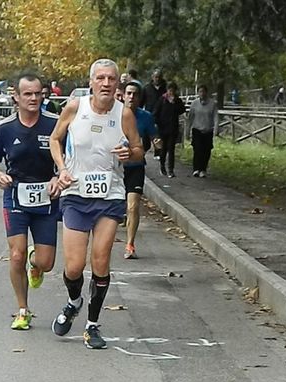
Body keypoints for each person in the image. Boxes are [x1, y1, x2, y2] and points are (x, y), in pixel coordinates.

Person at [49, 58, 143, 350]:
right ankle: (73, 301)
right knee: (75, 266)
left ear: (118, 83)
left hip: (110, 196)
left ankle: (92, 325)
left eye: (111, 79)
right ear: (91, 82)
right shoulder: (76, 107)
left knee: (100, 260)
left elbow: (139, 150)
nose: (105, 83)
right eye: (100, 78)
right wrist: (62, 169)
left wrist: (131, 154)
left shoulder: (124, 114)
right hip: (76, 194)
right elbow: (54, 138)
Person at [0, 73, 61, 330]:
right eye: (28, 94)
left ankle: (36, 265)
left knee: (46, 262)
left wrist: (58, 177)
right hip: (16, 196)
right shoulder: (5, 128)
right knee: (16, 256)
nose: (34, 98)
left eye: (38, 93)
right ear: (16, 97)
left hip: (46, 199)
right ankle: (22, 309)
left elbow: (69, 156)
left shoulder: (55, 124)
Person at [122, 81, 159, 259]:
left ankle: (130, 244)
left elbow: (154, 137)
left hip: (136, 167)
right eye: (128, 93)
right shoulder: (113, 115)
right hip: (115, 168)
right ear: (122, 95)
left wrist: (158, 143)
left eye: (135, 94)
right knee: (111, 209)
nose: (131, 97)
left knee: (133, 206)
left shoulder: (146, 117)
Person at [153, 81, 185, 177]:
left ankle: (171, 169)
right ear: (167, 90)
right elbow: (156, 112)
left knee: (171, 149)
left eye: (173, 91)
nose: (171, 93)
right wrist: (156, 123)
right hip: (162, 128)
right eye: (170, 90)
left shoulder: (177, 100)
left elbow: (182, 110)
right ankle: (162, 166)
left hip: (173, 128)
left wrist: (174, 103)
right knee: (163, 149)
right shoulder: (162, 100)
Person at [187, 84, 219, 178]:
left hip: (208, 130)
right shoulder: (194, 103)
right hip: (197, 129)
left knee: (206, 151)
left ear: (206, 92)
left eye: (203, 91)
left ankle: (203, 169)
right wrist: (187, 131)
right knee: (197, 149)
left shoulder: (212, 104)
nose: (202, 93)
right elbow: (190, 117)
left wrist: (216, 129)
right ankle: (196, 168)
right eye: (200, 91)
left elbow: (216, 117)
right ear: (198, 93)